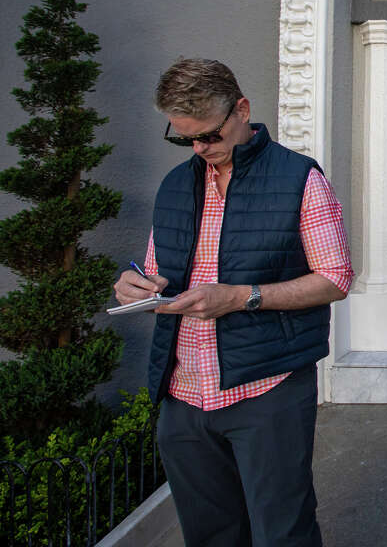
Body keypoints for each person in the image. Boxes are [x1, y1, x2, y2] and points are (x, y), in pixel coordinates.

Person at [113, 58, 352, 547]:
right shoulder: (176, 185)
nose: (199, 150)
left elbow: (336, 277)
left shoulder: (300, 179)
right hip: (182, 394)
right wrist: (134, 286)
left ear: (242, 110)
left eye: (209, 137)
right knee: (210, 536)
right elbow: (160, 271)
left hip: (267, 391)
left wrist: (242, 297)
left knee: (282, 533)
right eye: (185, 140)